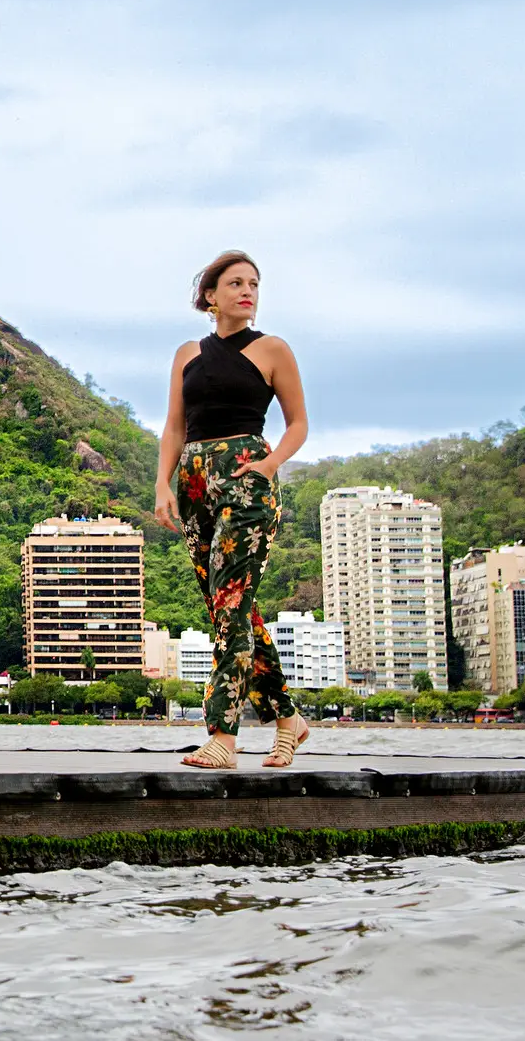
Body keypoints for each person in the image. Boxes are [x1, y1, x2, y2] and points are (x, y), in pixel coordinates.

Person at [154, 250, 312, 769]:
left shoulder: (272, 349)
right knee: (230, 609)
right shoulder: (187, 354)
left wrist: (270, 466)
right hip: (195, 479)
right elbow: (175, 426)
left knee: (231, 605)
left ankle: (223, 735)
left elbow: (297, 424)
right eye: (236, 283)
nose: (247, 292)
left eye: (254, 284)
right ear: (211, 296)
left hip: (246, 478)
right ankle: (288, 718)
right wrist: (164, 484)